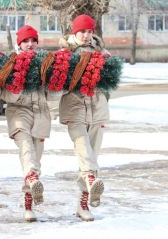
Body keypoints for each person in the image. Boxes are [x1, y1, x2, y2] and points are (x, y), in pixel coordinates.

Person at [58, 14, 110, 221]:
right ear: (74, 32)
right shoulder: (64, 53)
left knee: (91, 157)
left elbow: (110, 83)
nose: (87, 35)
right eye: (83, 31)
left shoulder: (101, 52)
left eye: (90, 31)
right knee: (84, 151)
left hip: (97, 109)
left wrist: (107, 63)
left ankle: (83, 204)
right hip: (74, 108)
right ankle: (90, 179)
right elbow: (57, 87)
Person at [1, 25, 55, 222]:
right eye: (26, 41)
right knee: (25, 148)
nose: (30, 44)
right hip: (18, 112)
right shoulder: (10, 63)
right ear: (19, 43)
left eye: (33, 41)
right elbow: (4, 95)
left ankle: (28, 205)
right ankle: (32, 178)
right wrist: (17, 84)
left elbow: (53, 95)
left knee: (34, 159)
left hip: (40, 114)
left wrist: (56, 82)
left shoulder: (45, 62)